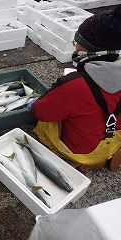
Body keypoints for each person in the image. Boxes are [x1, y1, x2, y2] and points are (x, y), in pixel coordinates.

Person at [28, 5, 121, 171]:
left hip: (81, 151)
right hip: (112, 141)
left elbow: (41, 111)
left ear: (99, 52)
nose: (76, 46)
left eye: (80, 43)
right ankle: (110, 157)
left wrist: (35, 104)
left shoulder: (74, 85)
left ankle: (72, 161)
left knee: (43, 124)